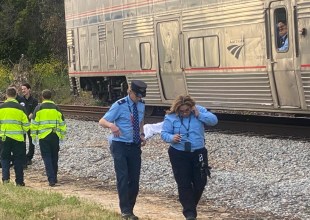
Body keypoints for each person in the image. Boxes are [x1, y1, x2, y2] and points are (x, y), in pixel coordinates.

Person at [161, 95, 218, 220]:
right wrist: (171, 138)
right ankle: (190, 214)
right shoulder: (171, 117)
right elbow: (164, 134)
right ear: (177, 109)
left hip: (198, 152)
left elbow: (214, 121)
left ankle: (190, 205)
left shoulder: (199, 110)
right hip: (179, 153)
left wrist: (199, 115)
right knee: (184, 182)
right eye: (181, 111)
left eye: (187, 110)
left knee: (200, 181)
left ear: (191, 107)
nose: (185, 113)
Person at [99, 80, 147, 220]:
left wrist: (142, 134)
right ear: (130, 91)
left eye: (141, 96)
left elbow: (140, 121)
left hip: (134, 146)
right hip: (119, 145)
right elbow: (102, 121)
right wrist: (111, 126)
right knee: (123, 177)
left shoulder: (142, 104)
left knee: (134, 180)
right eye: (137, 96)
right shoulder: (119, 105)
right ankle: (125, 211)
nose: (139, 98)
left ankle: (130, 209)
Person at [30, 89, 66, 187]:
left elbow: (34, 123)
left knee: (46, 157)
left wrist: (33, 136)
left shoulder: (39, 108)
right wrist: (62, 135)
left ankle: (51, 179)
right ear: (51, 97)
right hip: (55, 135)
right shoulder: (56, 108)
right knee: (55, 156)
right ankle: (54, 176)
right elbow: (62, 123)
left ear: (42, 97)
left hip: (43, 136)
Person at [0, 87, 30, 186]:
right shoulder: (21, 108)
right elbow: (26, 126)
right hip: (18, 138)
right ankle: (19, 181)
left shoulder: (1, 107)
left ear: (6, 95)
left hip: (4, 137)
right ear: (16, 95)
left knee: (5, 158)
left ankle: (5, 179)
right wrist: (21, 132)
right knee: (18, 159)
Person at [21, 83, 38, 166]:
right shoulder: (20, 100)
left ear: (29, 89)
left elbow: (34, 111)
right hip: (22, 124)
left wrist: (30, 117)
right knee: (22, 140)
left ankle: (29, 157)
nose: (23, 90)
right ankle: (23, 157)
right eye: (22, 89)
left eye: (24, 89)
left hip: (30, 123)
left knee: (31, 141)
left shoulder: (34, 100)